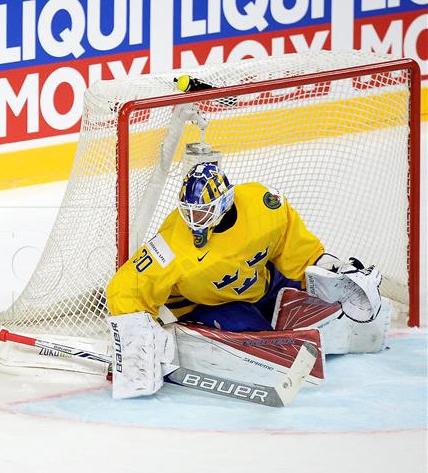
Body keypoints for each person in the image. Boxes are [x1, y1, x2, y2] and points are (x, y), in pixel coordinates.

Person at [105, 156, 388, 399]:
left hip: (265, 284)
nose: (194, 221)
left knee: (329, 299)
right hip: (212, 304)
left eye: (202, 211)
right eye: (189, 212)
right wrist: (134, 335)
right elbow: (126, 286)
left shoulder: (264, 204)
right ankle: (232, 331)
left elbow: (295, 249)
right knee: (262, 340)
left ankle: (321, 323)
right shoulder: (173, 244)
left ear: (225, 201)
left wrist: (330, 266)